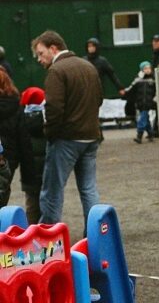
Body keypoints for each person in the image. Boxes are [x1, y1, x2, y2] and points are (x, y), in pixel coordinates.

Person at [31, 30, 102, 231]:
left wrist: (49, 134)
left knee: (52, 190)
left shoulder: (57, 71)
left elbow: (53, 108)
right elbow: (99, 99)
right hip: (90, 137)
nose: (39, 59)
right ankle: (94, 233)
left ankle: (48, 235)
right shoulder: (88, 67)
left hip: (66, 139)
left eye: (41, 53)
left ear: (53, 48)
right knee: (89, 189)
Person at [0, 69, 35, 207]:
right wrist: (28, 175)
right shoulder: (16, 104)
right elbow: (23, 139)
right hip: (10, 157)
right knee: (3, 190)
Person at [19, 87, 47, 223]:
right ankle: (48, 230)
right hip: (46, 168)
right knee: (48, 201)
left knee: (31, 203)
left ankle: (31, 229)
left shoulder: (21, 120)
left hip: (28, 170)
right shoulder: (47, 119)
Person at [125, 61, 157, 143]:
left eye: (149, 68)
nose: (148, 70)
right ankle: (150, 133)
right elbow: (131, 88)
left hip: (149, 102)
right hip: (140, 102)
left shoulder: (153, 79)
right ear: (142, 69)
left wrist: (155, 98)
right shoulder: (138, 79)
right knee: (145, 118)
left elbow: (157, 89)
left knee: (142, 118)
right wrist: (125, 92)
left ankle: (139, 135)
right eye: (145, 68)